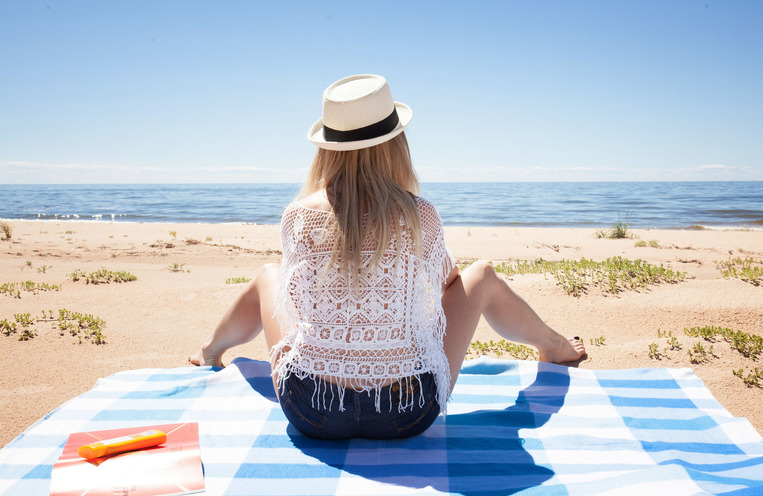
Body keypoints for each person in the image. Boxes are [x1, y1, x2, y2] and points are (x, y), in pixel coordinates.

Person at [189, 74, 585, 440]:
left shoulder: (299, 217)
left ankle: (211, 350)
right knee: (482, 276)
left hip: (312, 411)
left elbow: (292, 303)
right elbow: (449, 280)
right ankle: (555, 348)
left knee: (268, 276)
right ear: (396, 145)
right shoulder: (420, 215)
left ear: (328, 150)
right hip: (407, 412)